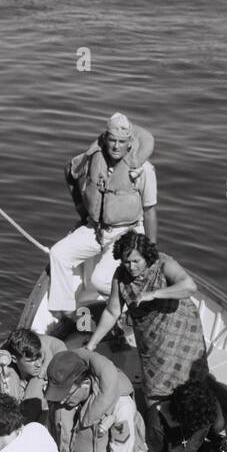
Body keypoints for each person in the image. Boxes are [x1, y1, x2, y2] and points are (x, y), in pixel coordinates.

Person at [47, 113, 158, 316]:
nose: (116, 146)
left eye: (121, 142)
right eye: (112, 140)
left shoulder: (144, 170)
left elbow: (150, 211)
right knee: (58, 254)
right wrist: (82, 212)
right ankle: (65, 315)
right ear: (105, 139)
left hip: (128, 232)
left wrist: (150, 252)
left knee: (99, 281)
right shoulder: (93, 160)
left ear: (130, 143)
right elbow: (70, 172)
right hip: (97, 229)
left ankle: (135, 305)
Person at [85, 232, 209, 404]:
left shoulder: (165, 264)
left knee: (194, 383)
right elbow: (112, 312)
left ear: (147, 256)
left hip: (182, 334)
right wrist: (92, 344)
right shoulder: (120, 276)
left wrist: (154, 294)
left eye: (136, 261)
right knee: (154, 387)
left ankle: (212, 421)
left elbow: (189, 286)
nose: (131, 266)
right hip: (152, 340)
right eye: (126, 261)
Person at [0, 327, 66, 423]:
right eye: (31, 361)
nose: (38, 364)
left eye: (39, 358)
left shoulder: (47, 364)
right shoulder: (2, 371)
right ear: (14, 359)